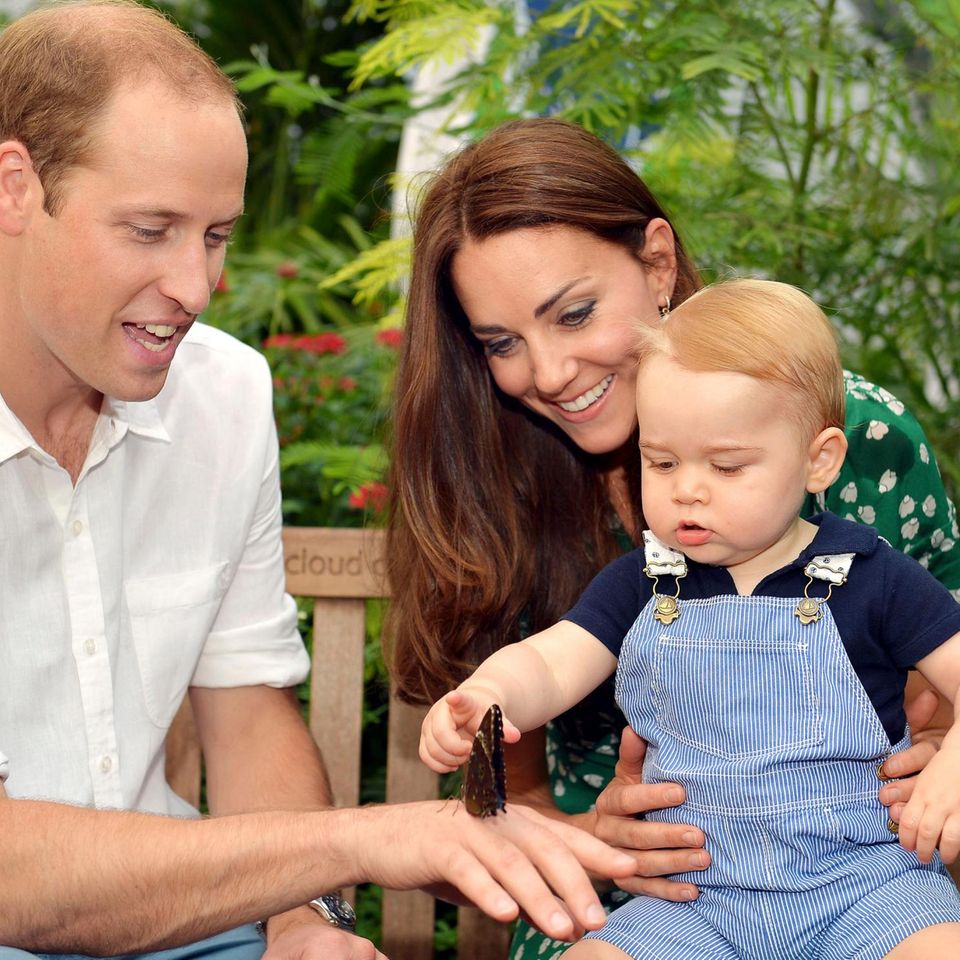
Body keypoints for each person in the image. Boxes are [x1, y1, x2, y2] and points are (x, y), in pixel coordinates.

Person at [0, 6, 638, 960]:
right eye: (151, 229)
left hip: (185, 930)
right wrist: (357, 841)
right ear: (15, 188)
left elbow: (247, 705)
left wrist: (310, 924)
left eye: (215, 235)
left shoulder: (221, 396)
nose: (196, 285)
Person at [385, 117, 960, 958]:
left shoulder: (844, 453)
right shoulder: (553, 518)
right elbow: (539, 683)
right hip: (664, 900)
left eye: (574, 313)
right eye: (502, 343)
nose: (546, 374)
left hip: (862, 882)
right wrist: (585, 831)